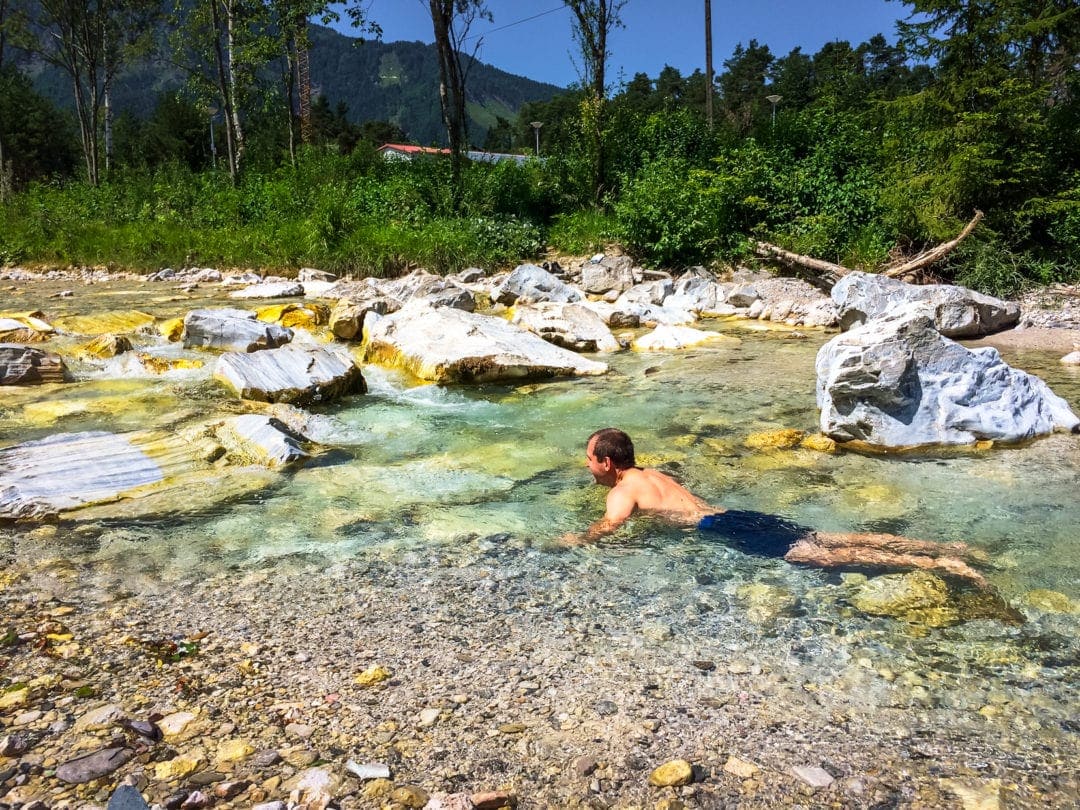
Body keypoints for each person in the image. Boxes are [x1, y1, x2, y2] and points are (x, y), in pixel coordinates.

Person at [563, 427, 990, 588]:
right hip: (735, 514)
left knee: (818, 557)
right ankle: (946, 547)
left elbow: (611, 525)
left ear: (607, 462)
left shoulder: (621, 489)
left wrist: (577, 540)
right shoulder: (651, 473)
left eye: (588, 458)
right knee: (827, 538)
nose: (586, 465)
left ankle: (938, 566)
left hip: (720, 528)